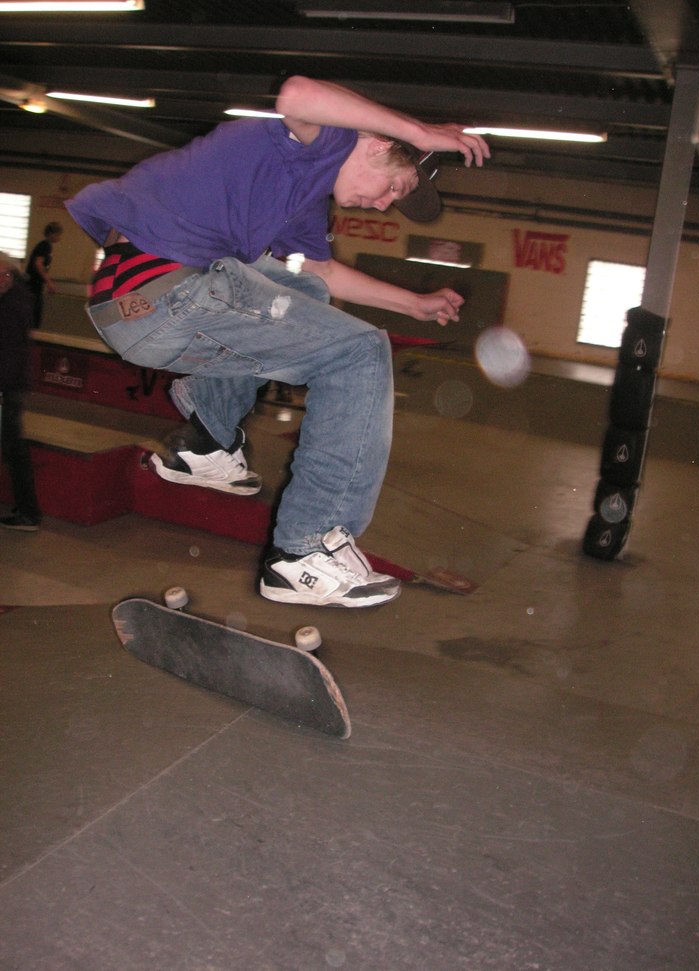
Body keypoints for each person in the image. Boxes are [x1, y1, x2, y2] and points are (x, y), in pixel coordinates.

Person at [65, 75, 489, 607]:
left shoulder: (301, 200)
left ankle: (207, 440)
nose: (382, 206)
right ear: (378, 144)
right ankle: (307, 551)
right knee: (361, 353)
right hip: (165, 291)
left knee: (304, 287)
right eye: (394, 188)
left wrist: (415, 302)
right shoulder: (324, 140)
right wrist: (420, 133)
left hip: (136, 306)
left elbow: (324, 273)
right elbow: (296, 93)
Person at [0, 252, 42, 531]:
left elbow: (10, 353)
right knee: (13, 449)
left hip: (8, 388)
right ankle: (26, 510)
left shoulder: (12, 305)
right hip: (10, 385)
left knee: (14, 450)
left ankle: (28, 513)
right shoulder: (13, 300)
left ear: (7, 276)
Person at [25, 221, 63, 327]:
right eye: (58, 234)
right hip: (32, 284)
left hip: (36, 284)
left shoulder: (46, 246)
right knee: (34, 312)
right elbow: (38, 264)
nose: (59, 237)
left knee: (35, 311)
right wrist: (49, 282)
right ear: (52, 234)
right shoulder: (44, 246)